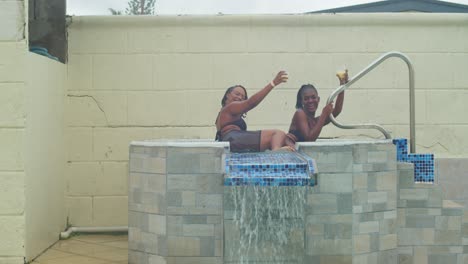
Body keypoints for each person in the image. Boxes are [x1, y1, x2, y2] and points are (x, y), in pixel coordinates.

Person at [215, 71, 293, 152]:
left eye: (243, 97)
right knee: (278, 134)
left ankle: (276, 151)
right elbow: (250, 103)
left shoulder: (221, 115)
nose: (240, 97)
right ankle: (276, 152)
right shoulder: (230, 107)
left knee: (281, 139)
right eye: (237, 94)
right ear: (227, 95)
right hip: (234, 139)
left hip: (232, 142)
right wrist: (273, 83)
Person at [286, 70, 349, 143]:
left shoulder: (314, 121)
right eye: (306, 99)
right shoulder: (300, 113)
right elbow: (309, 139)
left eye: (313, 97)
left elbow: (337, 111)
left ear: (318, 99)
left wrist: (342, 85)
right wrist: (324, 114)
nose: (310, 101)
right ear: (301, 102)